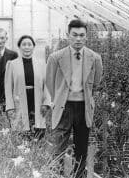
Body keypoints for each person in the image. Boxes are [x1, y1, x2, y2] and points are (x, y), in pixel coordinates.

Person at [45, 19, 103, 178]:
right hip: (64, 107)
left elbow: (96, 82)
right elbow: (50, 83)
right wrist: (59, 98)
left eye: (82, 35)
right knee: (58, 145)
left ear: (86, 36)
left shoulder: (95, 58)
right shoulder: (55, 57)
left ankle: (79, 176)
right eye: (75, 35)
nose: (78, 39)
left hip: (83, 107)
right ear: (68, 35)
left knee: (82, 146)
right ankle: (56, 175)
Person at [5, 35, 50, 141]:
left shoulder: (42, 64)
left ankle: (37, 156)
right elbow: (8, 87)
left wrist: (46, 103)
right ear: (19, 47)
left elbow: (47, 85)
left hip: (37, 102)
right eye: (23, 44)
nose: (26, 47)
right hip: (19, 103)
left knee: (37, 136)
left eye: (29, 44)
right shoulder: (12, 64)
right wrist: (10, 107)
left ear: (33, 47)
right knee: (21, 135)